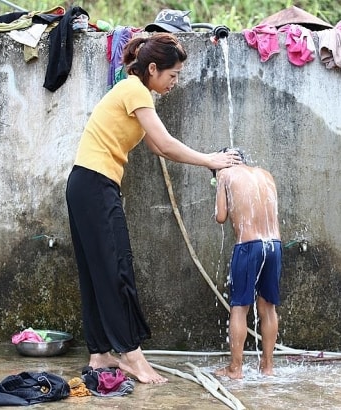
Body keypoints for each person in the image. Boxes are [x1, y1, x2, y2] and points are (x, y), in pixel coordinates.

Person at [65, 33, 242, 385]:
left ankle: (100, 355)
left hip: (85, 185)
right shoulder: (135, 90)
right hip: (95, 186)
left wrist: (207, 161)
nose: (174, 83)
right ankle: (130, 356)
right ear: (152, 69)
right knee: (115, 269)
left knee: (96, 272)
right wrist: (211, 160)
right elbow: (164, 143)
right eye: (172, 75)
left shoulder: (133, 92)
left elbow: (157, 148)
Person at [211, 148, 282, 379]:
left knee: (240, 308)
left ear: (222, 164)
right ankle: (268, 366)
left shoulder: (224, 175)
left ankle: (235, 369)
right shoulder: (266, 174)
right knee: (268, 307)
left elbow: (221, 216)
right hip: (274, 246)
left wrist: (220, 190)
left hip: (248, 245)